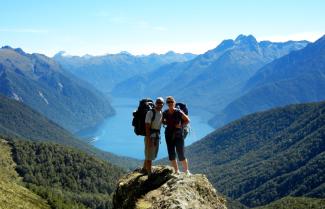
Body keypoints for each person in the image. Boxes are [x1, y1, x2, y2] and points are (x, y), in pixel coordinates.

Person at [162, 96, 191, 175]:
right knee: (171, 153)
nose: (170, 103)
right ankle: (176, 171)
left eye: (171, 102)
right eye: (168, 102)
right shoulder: (165, 113)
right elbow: (162, 121)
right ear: (167, 104)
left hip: (178, 134)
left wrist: (181, 125)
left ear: (174, 102)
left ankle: (186, 171)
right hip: (168, 134)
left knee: (181, 153)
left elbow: (187, 120)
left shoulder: (178, 112)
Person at [142, 97, 164, 174]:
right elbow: (147, 127)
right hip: (150, 137)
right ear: (155, 103)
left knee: (150, 154)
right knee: (149, 156)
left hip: (156, 136)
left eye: (161, 103)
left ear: (163, 104)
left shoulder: (161, 112)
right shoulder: (150, 113)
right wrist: (148, 139)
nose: (160, 104)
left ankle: (144, 168)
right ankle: (149, 174)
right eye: (158, 102)